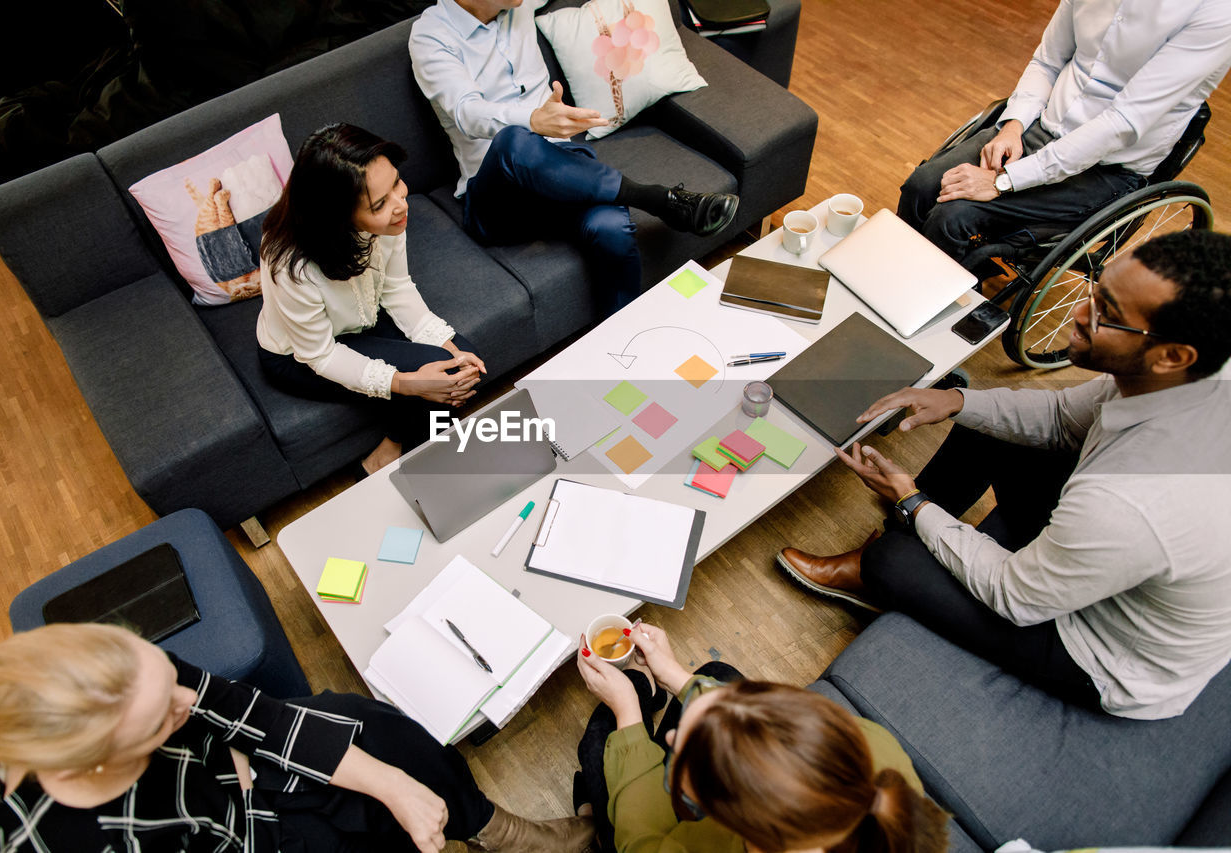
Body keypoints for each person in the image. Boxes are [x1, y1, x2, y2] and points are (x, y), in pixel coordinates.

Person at [777, 230, 1231, 720]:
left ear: (1172, 356)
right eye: (1095, 290)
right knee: (986, 422)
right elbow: (1060, 418)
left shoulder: (1131, 501)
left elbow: (1015, 596)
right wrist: (955, 401)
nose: (1079, 313)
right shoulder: (1188, 375)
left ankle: (876, 563)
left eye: (1107, 315)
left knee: (891, 561)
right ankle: (896, 535)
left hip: (1099, 651)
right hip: (1113, 561)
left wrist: (912, 503)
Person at [0, 623, 595, 853]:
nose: (187, 697)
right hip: (254, 836)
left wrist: (389, 781)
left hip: (246, 770)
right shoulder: (67, 843)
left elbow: (238, 708)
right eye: (164, 718)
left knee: (377, 731)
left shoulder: (123, 676)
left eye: (168, 678)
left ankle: (493, 830)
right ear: (99, 762)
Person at [409, 0, 740, 316]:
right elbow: (467, 112)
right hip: (497, 196)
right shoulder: (431, 36)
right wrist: (533, 119)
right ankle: (656, 199)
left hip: (562, 169)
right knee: (514, 139)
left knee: (610, 225)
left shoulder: (519, 5)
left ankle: (622, 344)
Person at [898, 0, 1231, 276]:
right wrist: (1014, 125)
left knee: (953, 217)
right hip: (1041, 126)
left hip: (1107, 167)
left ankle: (942, 305)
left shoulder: (1215, 14)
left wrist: (1003, 181)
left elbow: (1122, 122)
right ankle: (899, 279)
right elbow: (1048, 60)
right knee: (921, 184)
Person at [573, 622, 949, 853]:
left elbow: (644, 845)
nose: (671, 736)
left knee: (596, 745)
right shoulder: (871, 747)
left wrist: (627, 710)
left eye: (678, 752)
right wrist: (673, 673)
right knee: (717, 671)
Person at [257, 123, 487, 475]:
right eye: (380, 203)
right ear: (337, 218)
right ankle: (394, 459)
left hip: (363, 320)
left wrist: (451, 349)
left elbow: (396, 288)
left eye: (397, 182)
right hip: (301, 355)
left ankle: (399, 447)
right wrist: (408, 384)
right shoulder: (290, 265)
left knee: (456, 364)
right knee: (430, 382)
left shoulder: (391, 220)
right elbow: (321, 354)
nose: (400, 203)